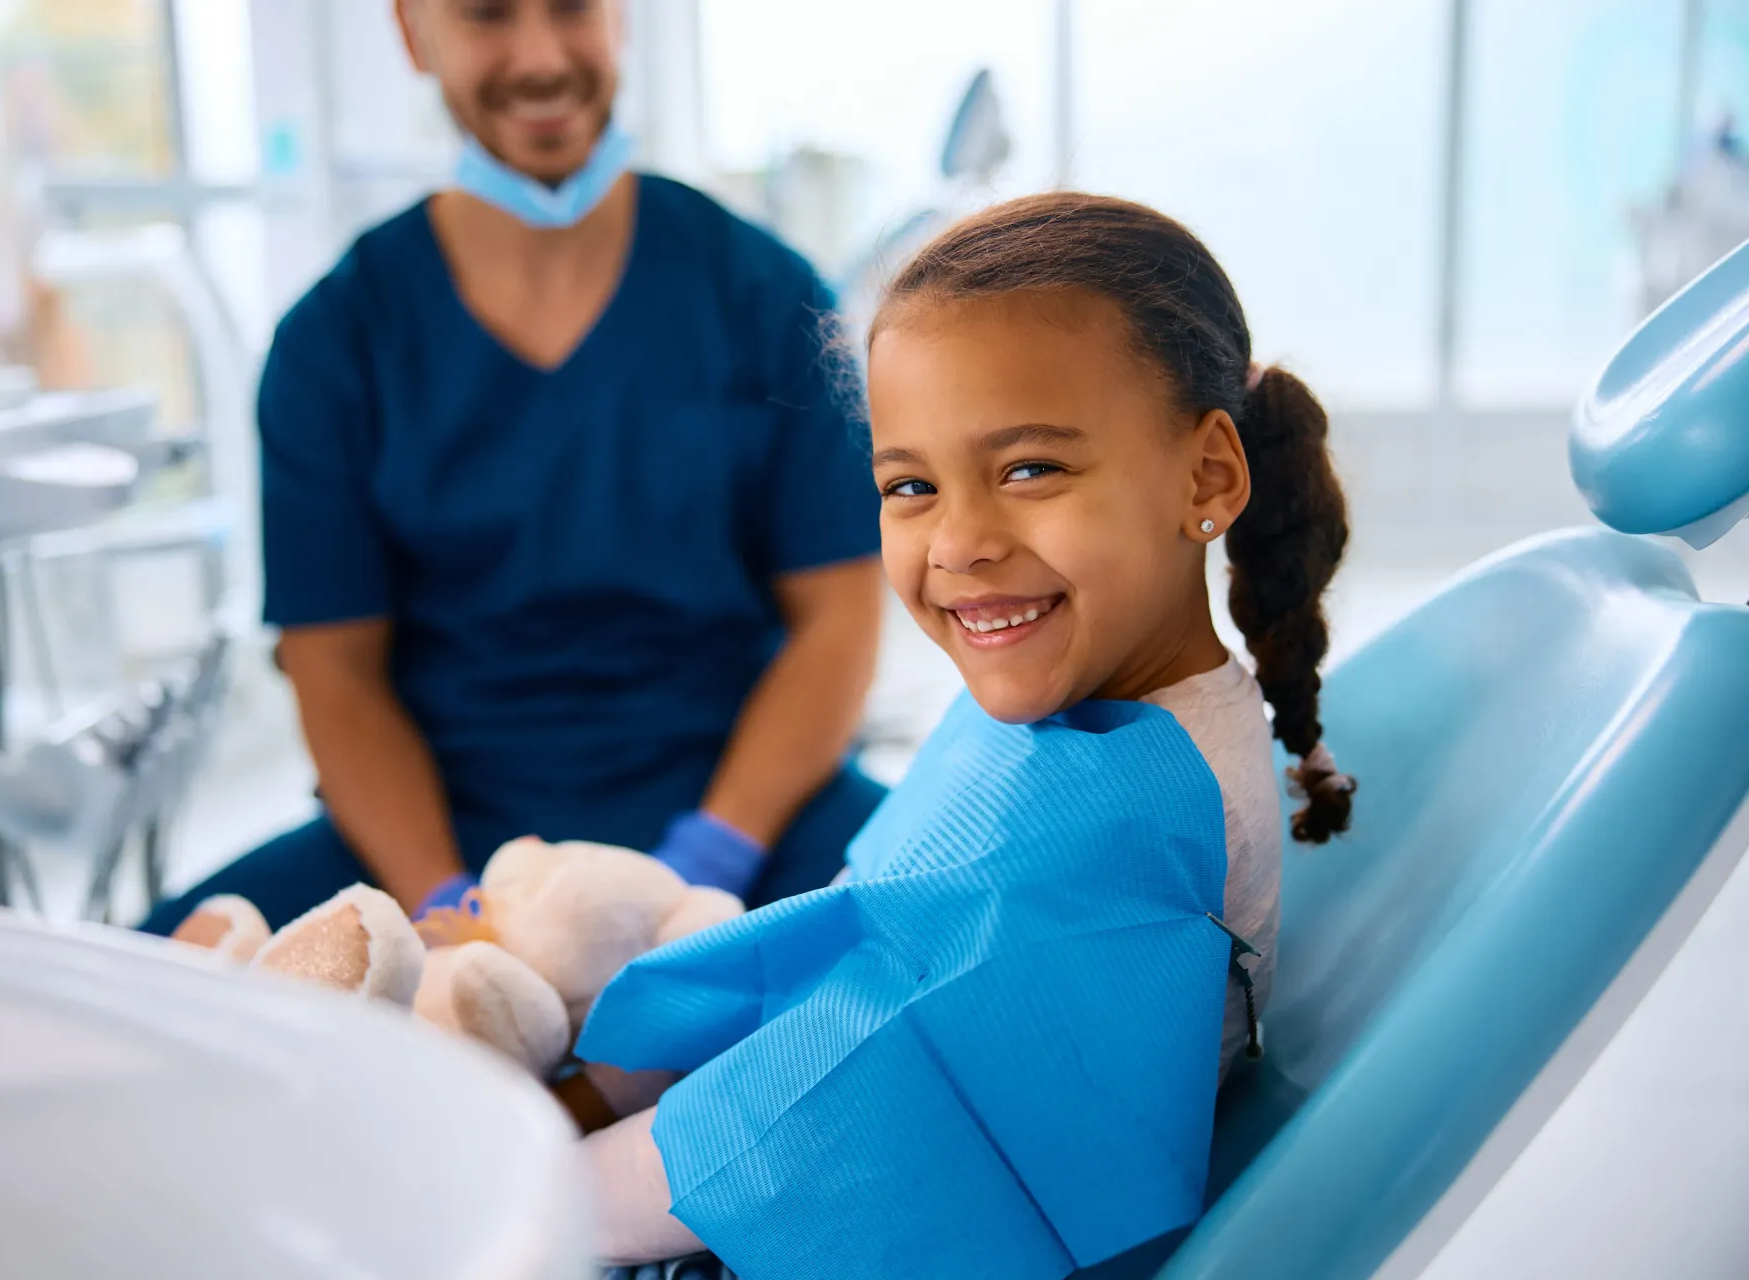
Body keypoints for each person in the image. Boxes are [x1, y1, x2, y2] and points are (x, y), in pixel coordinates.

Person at [562, 193, 1356, 1279]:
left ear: (1206, 476)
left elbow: (825, 1090)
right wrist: (600, 1083)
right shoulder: (1093, 710)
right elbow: (859, 931)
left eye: (1030, 468)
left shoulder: (1130, 825)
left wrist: (542, 1192)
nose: (962, 541)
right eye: (910, 486)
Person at [139, 0, 887, 938]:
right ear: (414, 32)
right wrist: (449, 912)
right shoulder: (338, 343)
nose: (539, 58)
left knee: (980, 942)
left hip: (753, 812)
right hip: (437, 832)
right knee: (139, 988)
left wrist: (709, 865)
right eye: (488, 14)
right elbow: (336, 673)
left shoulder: (765, 298)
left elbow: (841, 617)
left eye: (573, 8)